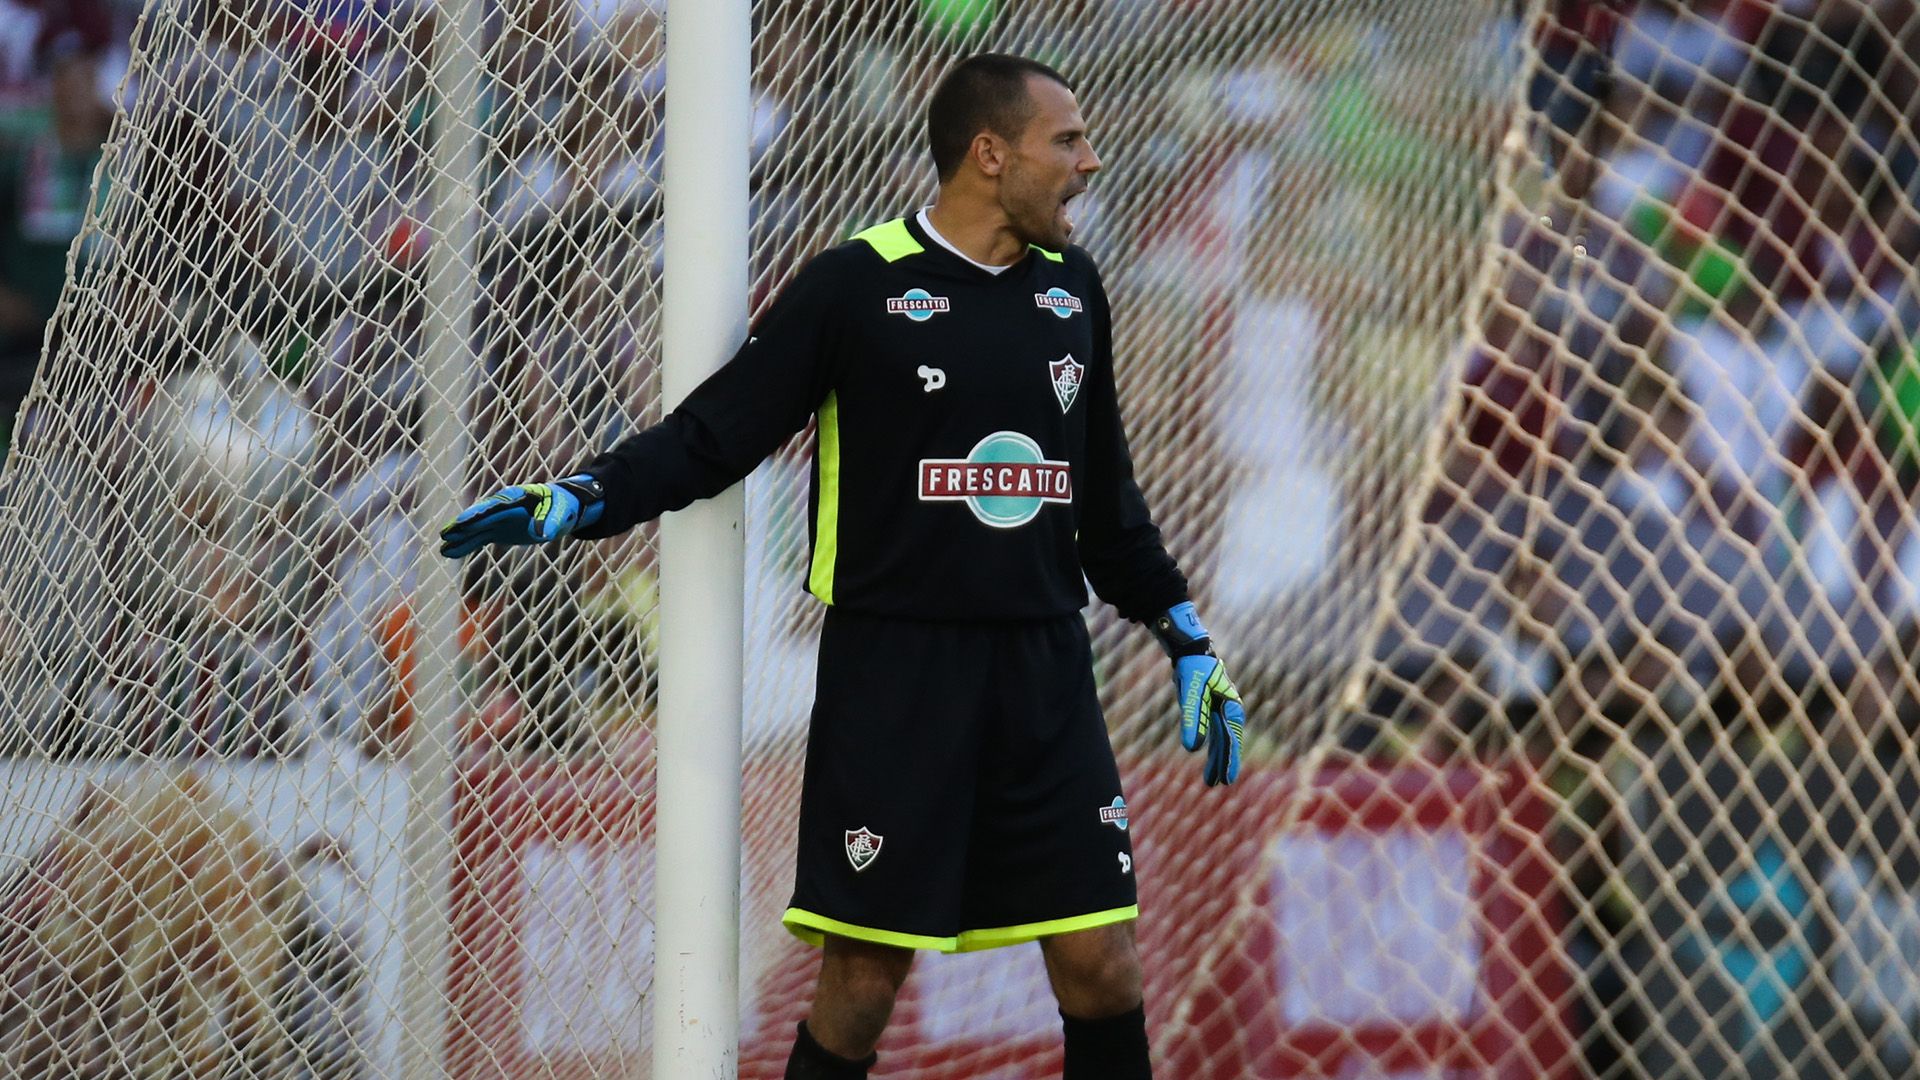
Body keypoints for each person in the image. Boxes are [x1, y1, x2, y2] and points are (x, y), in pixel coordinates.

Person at [439, 53, 1247, 1080]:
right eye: (1068, 142)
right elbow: (712, 435)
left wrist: (1186, 638)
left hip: (1046, 673)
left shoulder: (1074, 291)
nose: (1091, 161)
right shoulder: (855, 287)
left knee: (1103, 965)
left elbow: (1108, 505)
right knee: (862, 988)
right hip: (895, 678)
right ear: (990, 154)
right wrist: (578, 499)